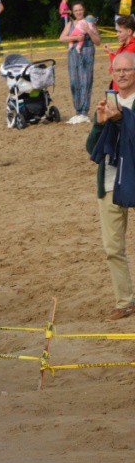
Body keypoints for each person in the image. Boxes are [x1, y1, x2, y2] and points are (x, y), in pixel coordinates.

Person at [86, 52, 135, 320]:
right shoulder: (108, 103)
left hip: (134, 177)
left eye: (127, 70)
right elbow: (91, 148)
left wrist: (120, 119)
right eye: (118, 71)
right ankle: (125, 301)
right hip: (109, 181)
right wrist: (100, 123)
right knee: (112, 247)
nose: (122, 74)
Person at [60, 1, 101, 123]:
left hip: (87, 53)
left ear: (84, 10)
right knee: (74, 81)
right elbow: (61, 38)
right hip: (73, 54)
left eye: (80, 9)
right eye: (76, 10)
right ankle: (77, 110)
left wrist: (89, 30)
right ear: (73, 12)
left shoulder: (90, 23)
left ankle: (84, 111)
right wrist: (75, 38)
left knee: (86, 81)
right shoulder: (70, 24)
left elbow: (98, 41)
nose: (78, 12)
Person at [105, 15, 135, 90]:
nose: (117, 34)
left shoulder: (132, 47)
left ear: (129, 32)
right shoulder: (124, 46)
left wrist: (110, 53)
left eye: (120, 31)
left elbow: (118, 64)